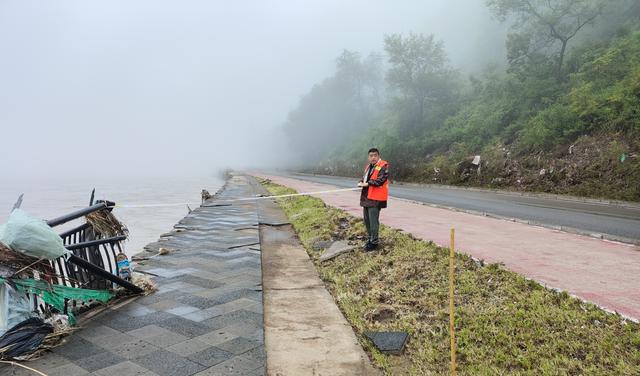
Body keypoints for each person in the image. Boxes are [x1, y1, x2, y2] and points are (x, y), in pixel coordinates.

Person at [357, 148, 389, 251]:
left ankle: (374, 242)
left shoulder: (383, 165)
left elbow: (381, 180)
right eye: (371, 156)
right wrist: (361, 182)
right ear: (368, 157)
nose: (373, 157)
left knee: (373, 221)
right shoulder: (368, 167)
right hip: (367, 197)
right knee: (367, 220)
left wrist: (368, 183)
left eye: (375, 155)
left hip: (376, 198)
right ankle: (370, 239)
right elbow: (365, 179)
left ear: (378, 156)